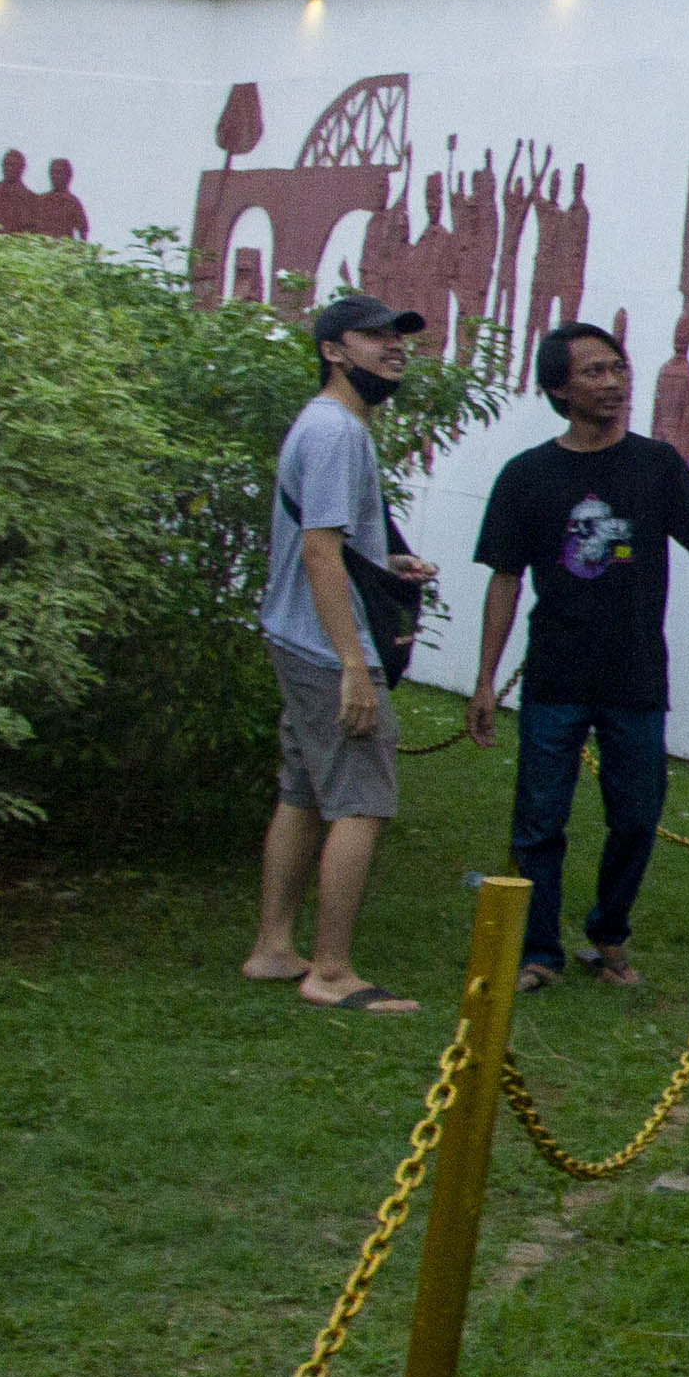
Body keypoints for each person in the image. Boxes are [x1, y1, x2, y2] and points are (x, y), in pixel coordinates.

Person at [465, 322, 689, 990]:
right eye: (594, 371)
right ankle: (538, 953)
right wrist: (484, 680)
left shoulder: (656, 465)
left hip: (636, 675)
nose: (613, 382)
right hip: (556, 674)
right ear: (559, 387)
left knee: (638, 815)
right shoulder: (527, 476)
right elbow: (504, 577)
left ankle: (609, 934)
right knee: (539, 820)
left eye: (618, 367)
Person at [243, 292, 440, 1011]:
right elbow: (320, 554)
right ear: (333, 350)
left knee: (302, 789)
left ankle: (272, 947)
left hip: (298, 635)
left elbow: (340, 543)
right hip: (326, 648)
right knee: (363, 802)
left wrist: (388, 560)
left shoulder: (335, 426)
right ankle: (330, 971)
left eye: (399, 336)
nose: (394, 347)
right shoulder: (335, 433)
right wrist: (355, 664)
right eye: (374, 336)